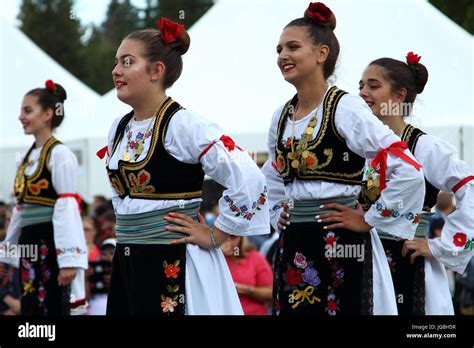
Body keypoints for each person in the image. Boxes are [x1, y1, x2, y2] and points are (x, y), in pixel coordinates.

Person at [100, 17, 269, 315]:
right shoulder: (120, 127)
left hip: (173, 259)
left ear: (156, 70)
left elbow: (249, 176)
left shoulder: (185, 125)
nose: (116, 71)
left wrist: (218, 233)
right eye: (116, 62)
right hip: (129, 260)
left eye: (127, 62)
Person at [265, 2, 425, 315]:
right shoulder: (281, 115)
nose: (282, 55)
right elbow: (272, 172)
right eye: (279, 48)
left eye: (293, 47)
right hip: (293, 242)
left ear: (321, 53)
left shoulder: (345, 107)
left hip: (340, 244)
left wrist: (368, 219)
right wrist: (275, 212)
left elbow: (406, 168)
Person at [358, 52, 474, 314]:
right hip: (362, 260)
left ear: (399, 95)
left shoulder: (424, 147)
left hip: (408, 261)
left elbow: (470, 190)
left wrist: (440, 246)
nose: (364, 92)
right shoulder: (355, 144)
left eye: (373, 86)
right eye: (361, 86)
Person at [1, 80, 87, 315]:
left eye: (27, 110)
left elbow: (67, 205)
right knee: (30, 302)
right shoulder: (25, 158)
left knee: (51, 302)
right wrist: (8, 249)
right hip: (29, 241)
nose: (21, 116)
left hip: (51, 240)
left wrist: (69, 259)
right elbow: (20, 209)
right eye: (21, 111)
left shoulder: (60, 154)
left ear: (48, 114)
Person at [221, 236, 273, 315]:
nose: (228, 239)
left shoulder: (255, 258)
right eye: (223, 235)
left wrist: (248, 291)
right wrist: (217, 253)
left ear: (241, 238)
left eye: (233, 236)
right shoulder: (217, 258)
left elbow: (270, 292)